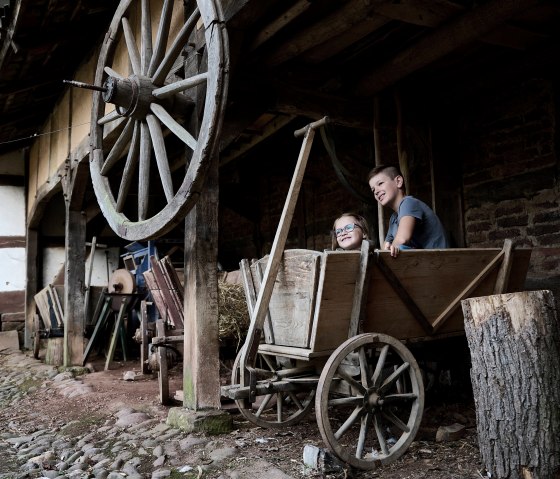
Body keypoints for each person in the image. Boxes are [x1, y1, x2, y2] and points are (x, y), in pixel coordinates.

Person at [368, 165, 449, 257]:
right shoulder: (393, 219)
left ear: (398, 181)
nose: (376, 191)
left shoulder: (409, 202)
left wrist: (389, 249)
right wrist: (387, 248)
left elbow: (403, 239)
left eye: (380, 183)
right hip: (425, 262)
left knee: (400, 249)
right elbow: (385, 248)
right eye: (373, 190)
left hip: (440, 260)